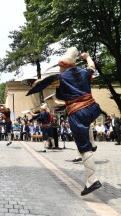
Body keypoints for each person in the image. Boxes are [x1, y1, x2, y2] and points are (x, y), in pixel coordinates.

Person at [28, 47, 102, 196]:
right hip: (93, 108)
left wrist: (37, 83)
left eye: (60, 66)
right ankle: (93, 142)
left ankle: (92, 180)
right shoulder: (85, 72)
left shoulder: (61, 77)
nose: (59, 69)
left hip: (78, 113)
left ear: (63, 65)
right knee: (86, 127)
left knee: (83, 147)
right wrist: (87, 56)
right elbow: (92, 66)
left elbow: (43, 84)